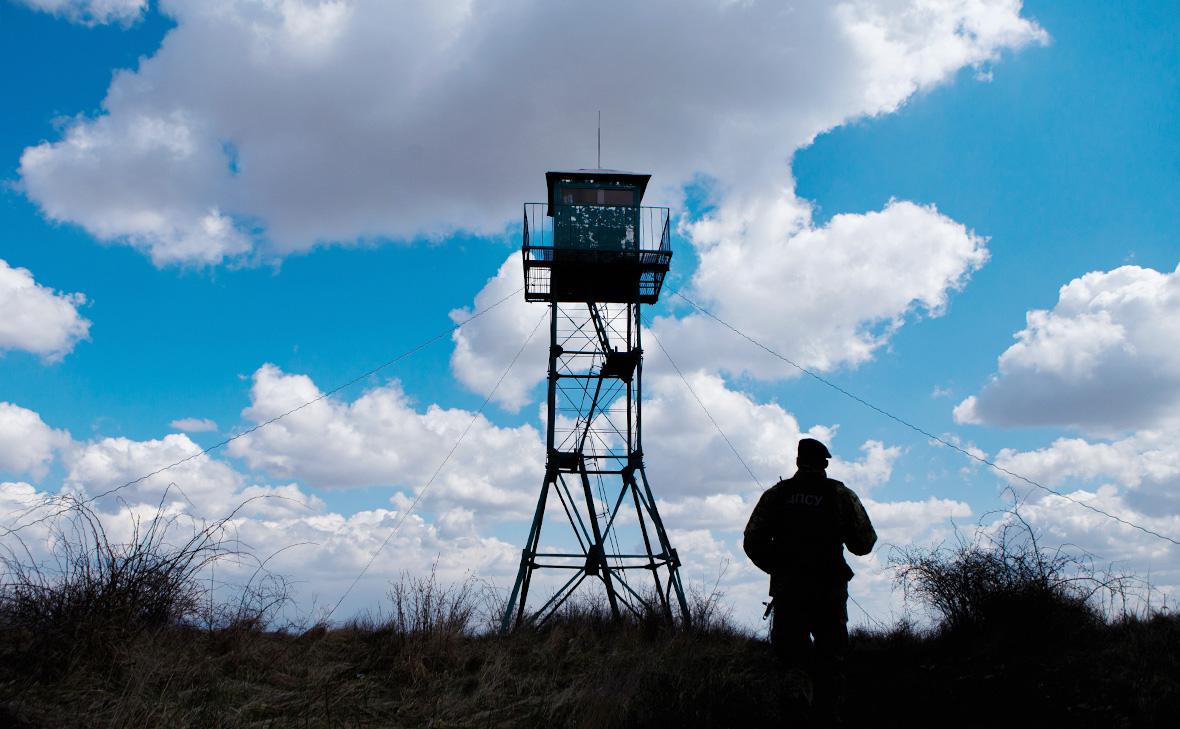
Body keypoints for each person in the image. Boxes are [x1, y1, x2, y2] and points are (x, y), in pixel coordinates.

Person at [743, 438, 877, 723]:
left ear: (797, 461)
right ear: (825, 463)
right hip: (829, 591)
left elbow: (752, 540)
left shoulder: (778, 495)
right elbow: (864, 543)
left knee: (791, 662)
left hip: (790, 591)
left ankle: (796, 716)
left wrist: (778, 567)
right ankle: (827, 717)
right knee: (831, 661)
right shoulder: (840, 495)